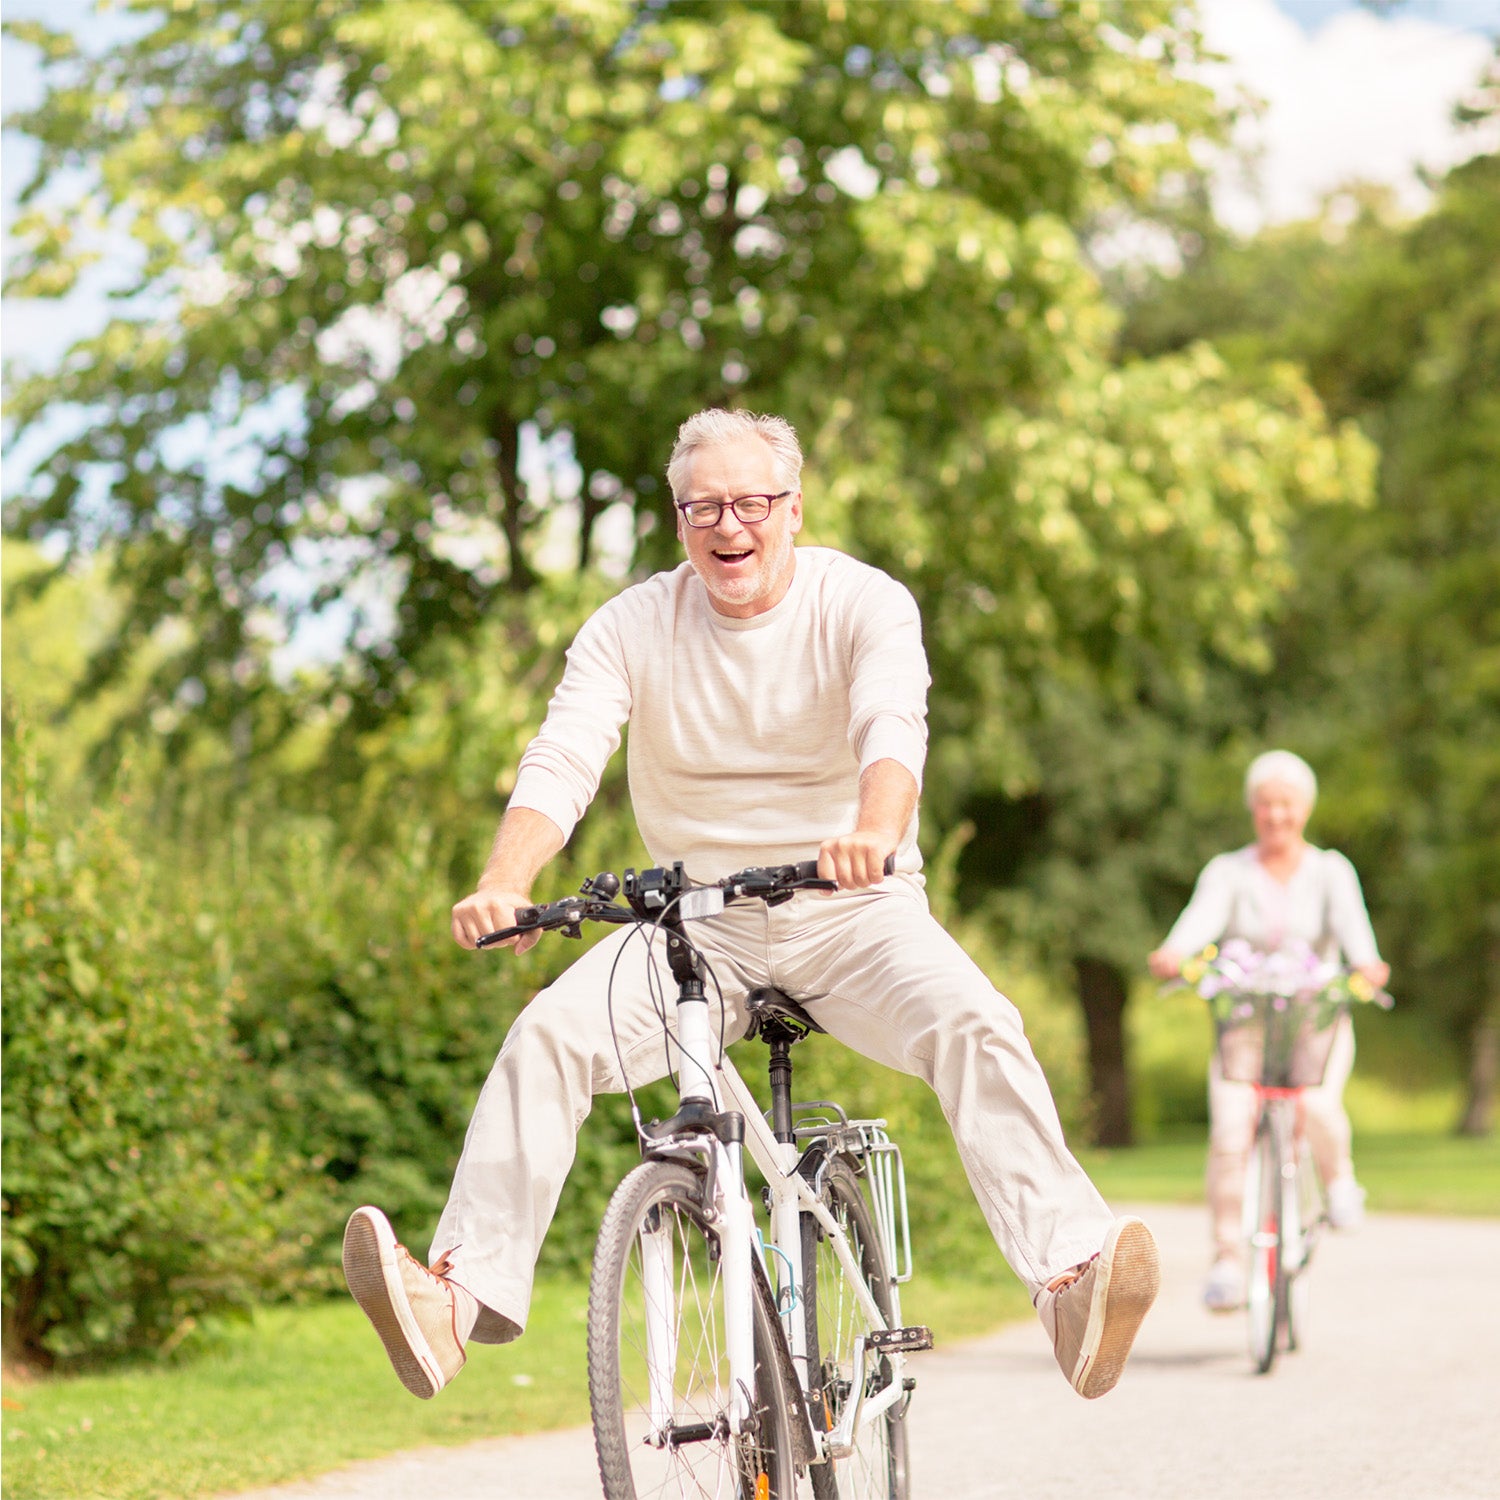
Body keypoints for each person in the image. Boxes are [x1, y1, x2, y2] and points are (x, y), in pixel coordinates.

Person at [342, 407, 1159, 1404]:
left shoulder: (862, 603)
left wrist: (874, 830)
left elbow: (891, 728)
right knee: (546, 1036)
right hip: (695, 926)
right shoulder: (632, 624)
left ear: (792, 509)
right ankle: (452, 1304)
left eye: (750, 503)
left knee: (977, 1022)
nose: (729, 526)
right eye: (703, 508)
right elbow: (564, 755)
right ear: (679, 521)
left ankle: (1070, 1282)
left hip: (853, 909)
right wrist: (504, 879)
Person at [1147, 749, 1390, 1313]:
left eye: (1286, 805)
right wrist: (1174, 953)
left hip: (1315, 1021)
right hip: (1246, 1024)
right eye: (1265, 805)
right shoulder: (1229, 871)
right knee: (1231, 1131)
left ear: (1304, 809)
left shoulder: (1332, 871)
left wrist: (1368, 966)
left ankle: (1339, 1183)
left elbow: (1359, 939)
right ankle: (1228, 1262)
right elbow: (1197, 923)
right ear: (1252, 810)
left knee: (1319, 1106)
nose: (1275, 815)